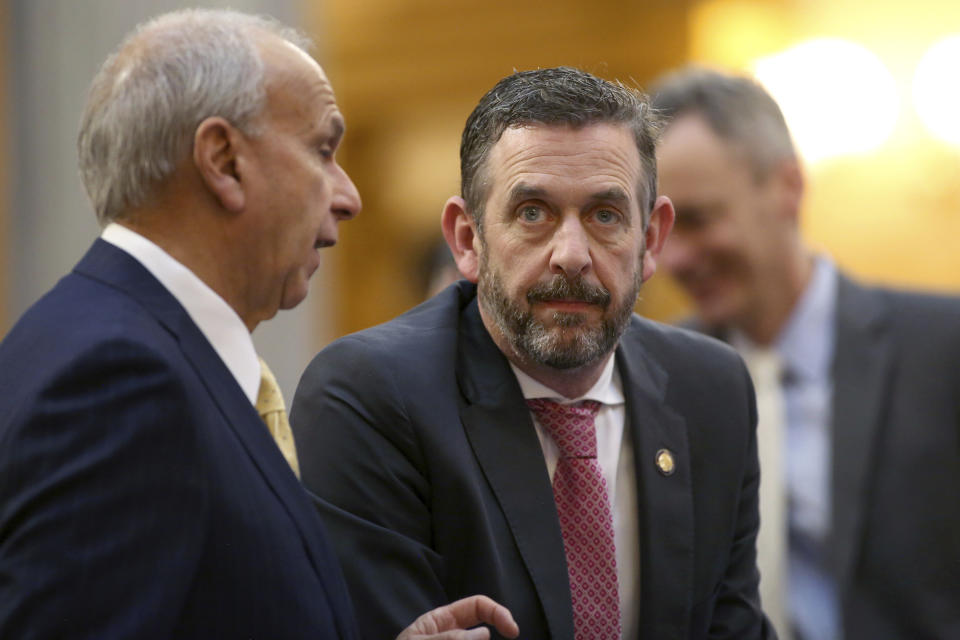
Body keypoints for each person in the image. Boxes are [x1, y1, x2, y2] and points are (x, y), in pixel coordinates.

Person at [0, 9, 519, 640]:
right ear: (223, 160)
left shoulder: (119, 347)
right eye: (322, 150)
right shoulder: (120, 381)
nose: (348, 196)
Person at [291, 66, 776, 640]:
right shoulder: (369, 397)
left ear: (650, 240)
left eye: (604, 215)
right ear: (467, 240)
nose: (571, 254)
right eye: (532, 213)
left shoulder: (710, 389)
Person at [651, 67, 960, 639]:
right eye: (661, 230)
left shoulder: (944, 350)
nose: (674, 260)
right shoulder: (657, 380)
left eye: (698, 220)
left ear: (787, 187)